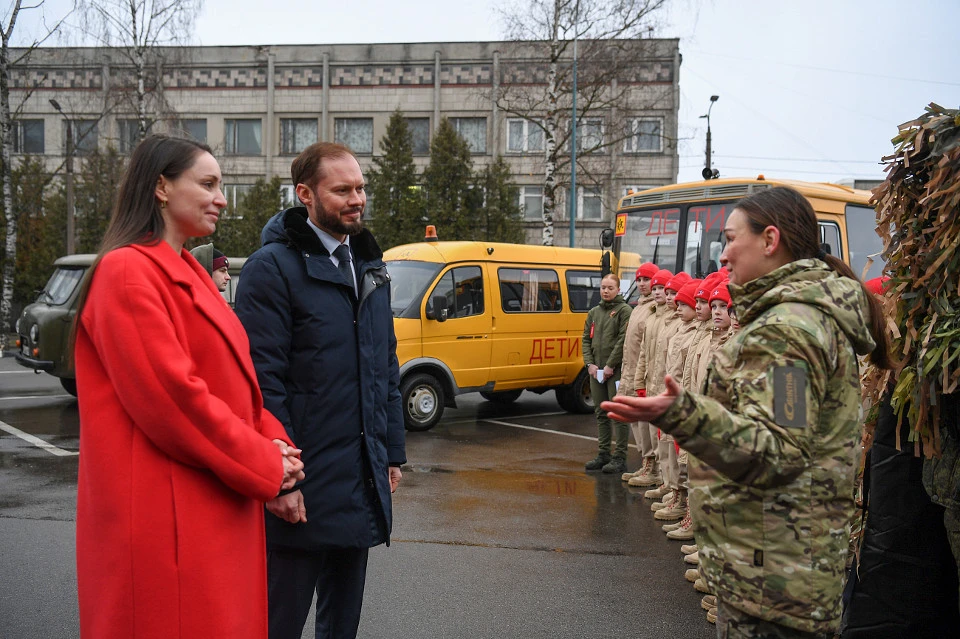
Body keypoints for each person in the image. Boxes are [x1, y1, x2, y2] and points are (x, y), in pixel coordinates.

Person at [602, 186, 891, 637]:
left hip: (774, 582)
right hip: (782, 568)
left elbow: (777, 452)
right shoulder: (793, 317)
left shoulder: (789, 330)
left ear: (770, 240)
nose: (722, 256)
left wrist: (686, 417)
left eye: (732, 239)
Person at [72, 134, 305, 639]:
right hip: (167, 519)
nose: (222, 198)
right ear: (160, 187)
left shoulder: (185, 272)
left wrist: (276, 443)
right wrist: (266, 461)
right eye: (208, 184)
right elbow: (175, 401)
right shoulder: (129, 272)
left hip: (204, 505)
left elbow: (231, 383)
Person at [234, 142, 406, 639]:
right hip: (302, 483)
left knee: (342, 625)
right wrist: (281, 481)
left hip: (359, 480)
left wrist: (391, 452)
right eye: (343, 190)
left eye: (361, 188)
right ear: (305, 194)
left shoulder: (369, 265)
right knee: (276, 623)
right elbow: (261, 385)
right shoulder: (271, 268)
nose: (358, 199)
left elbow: (384, 368)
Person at [582, 272, 633, 474]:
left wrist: (611, 365)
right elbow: (586, 339)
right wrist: (590, 364)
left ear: (618, 290)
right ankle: (603, 453)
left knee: (618, 413)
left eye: (610, 288)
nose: (605, 291)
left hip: (616, 370)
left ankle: (619, 457)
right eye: (603, 287)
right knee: (601, 412)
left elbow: (623, 340)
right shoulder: (594, 312)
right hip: (597, 371)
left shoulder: (624, 311)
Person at [618, 261, 659, 481]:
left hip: (643, 373)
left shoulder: (654, 308)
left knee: (645, 421)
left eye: (647, 279)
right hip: (631, 370)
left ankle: (651, 465)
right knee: (634, 418)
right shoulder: (639, 306)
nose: (642, 284)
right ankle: (645, 461)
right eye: (639, 280)